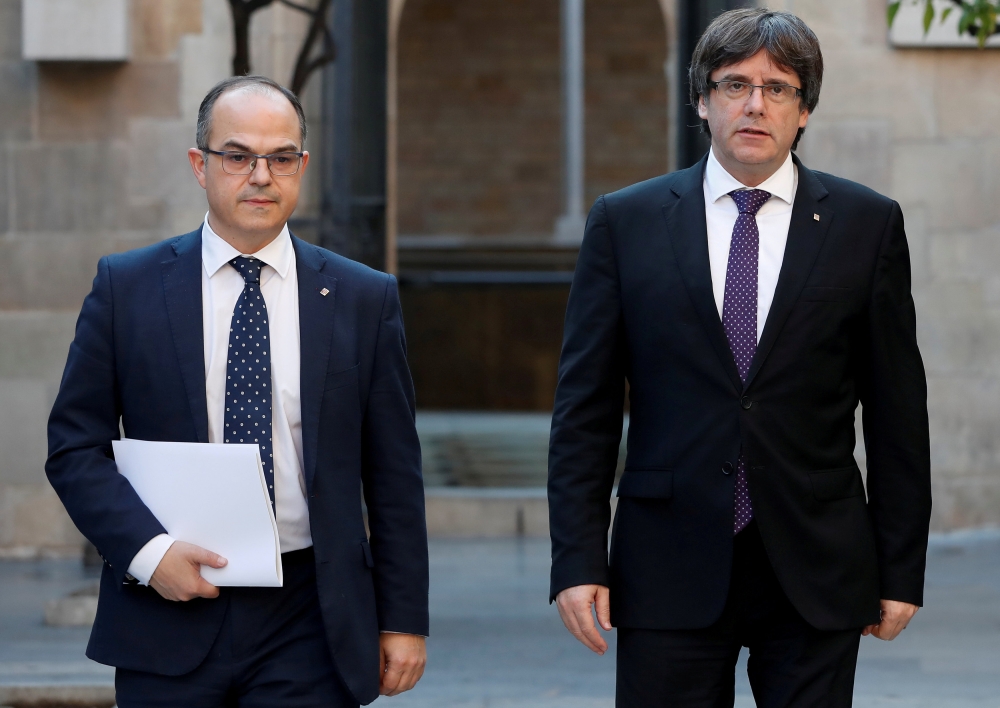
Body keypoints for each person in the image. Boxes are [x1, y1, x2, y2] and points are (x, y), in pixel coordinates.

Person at [547, 9, 931, 707]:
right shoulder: (625, 223)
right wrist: (577, 560)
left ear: (805, 108)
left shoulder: (866, 225)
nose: (755, 104)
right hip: (667, 562)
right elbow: (586, 410)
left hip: (815, 561)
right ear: (702, 100)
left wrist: (901, 568)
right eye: (734, 84)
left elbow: (898, 410)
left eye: (778, 87)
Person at [46, 75, 428, 708]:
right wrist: (148, 552)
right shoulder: (127, 288)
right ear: (201, 165)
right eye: (238, 156)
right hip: (166, 604)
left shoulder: (363, 298)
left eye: (281, 158)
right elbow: (73, 447)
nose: (261, 175)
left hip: (310, 614)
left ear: (301, 167)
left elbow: (394, 472)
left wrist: (404, 617)